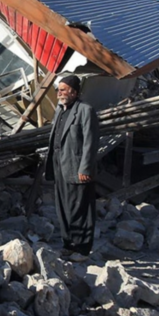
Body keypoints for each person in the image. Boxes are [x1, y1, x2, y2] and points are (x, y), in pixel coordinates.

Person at [43, 75, 99, 257]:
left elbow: (90, 142)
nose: (59, 93)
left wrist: (85, 168)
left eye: (63, 90)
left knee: (79, 208)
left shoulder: (85, 110)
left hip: (76, 167)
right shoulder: (60, 111)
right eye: (58, 89)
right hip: (60, 166)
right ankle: (68, 244)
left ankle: (82, 249)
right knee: (63, 208)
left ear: (74, 92)